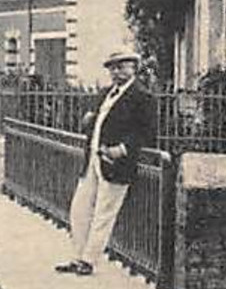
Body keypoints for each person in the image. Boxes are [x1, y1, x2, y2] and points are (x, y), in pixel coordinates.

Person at [55, 48, 156, 276]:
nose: (116, 71)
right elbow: (101, 123)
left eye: (122, 66)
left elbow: (146, 131)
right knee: (79, 210)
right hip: (93, 159)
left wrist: (122, 149)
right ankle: (77, 255)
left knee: (104, 213)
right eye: (112, 67)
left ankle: (88, 261)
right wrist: (89, 121)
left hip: (116, 164)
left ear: (134, 68)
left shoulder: (142, 96)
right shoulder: (106, 93)